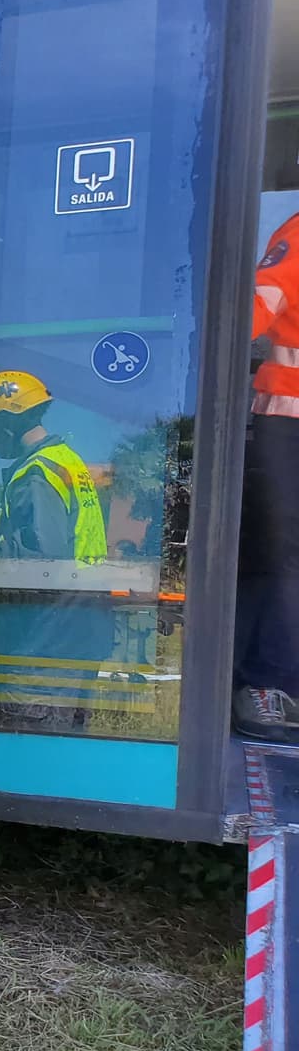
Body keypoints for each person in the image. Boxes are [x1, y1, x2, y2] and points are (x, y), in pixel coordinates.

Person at [0, 371, 114, 729]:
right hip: (78, 637)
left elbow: (39, 566)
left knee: (22, 757)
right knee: (63, 758)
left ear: (7, 424)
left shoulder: (34, 476)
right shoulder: (68, 462)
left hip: (40, 645)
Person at [235, 210, 299, 741]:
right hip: (289, 419)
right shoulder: (298, 233)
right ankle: (264, 685)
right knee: (282, 557)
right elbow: (258, 304)